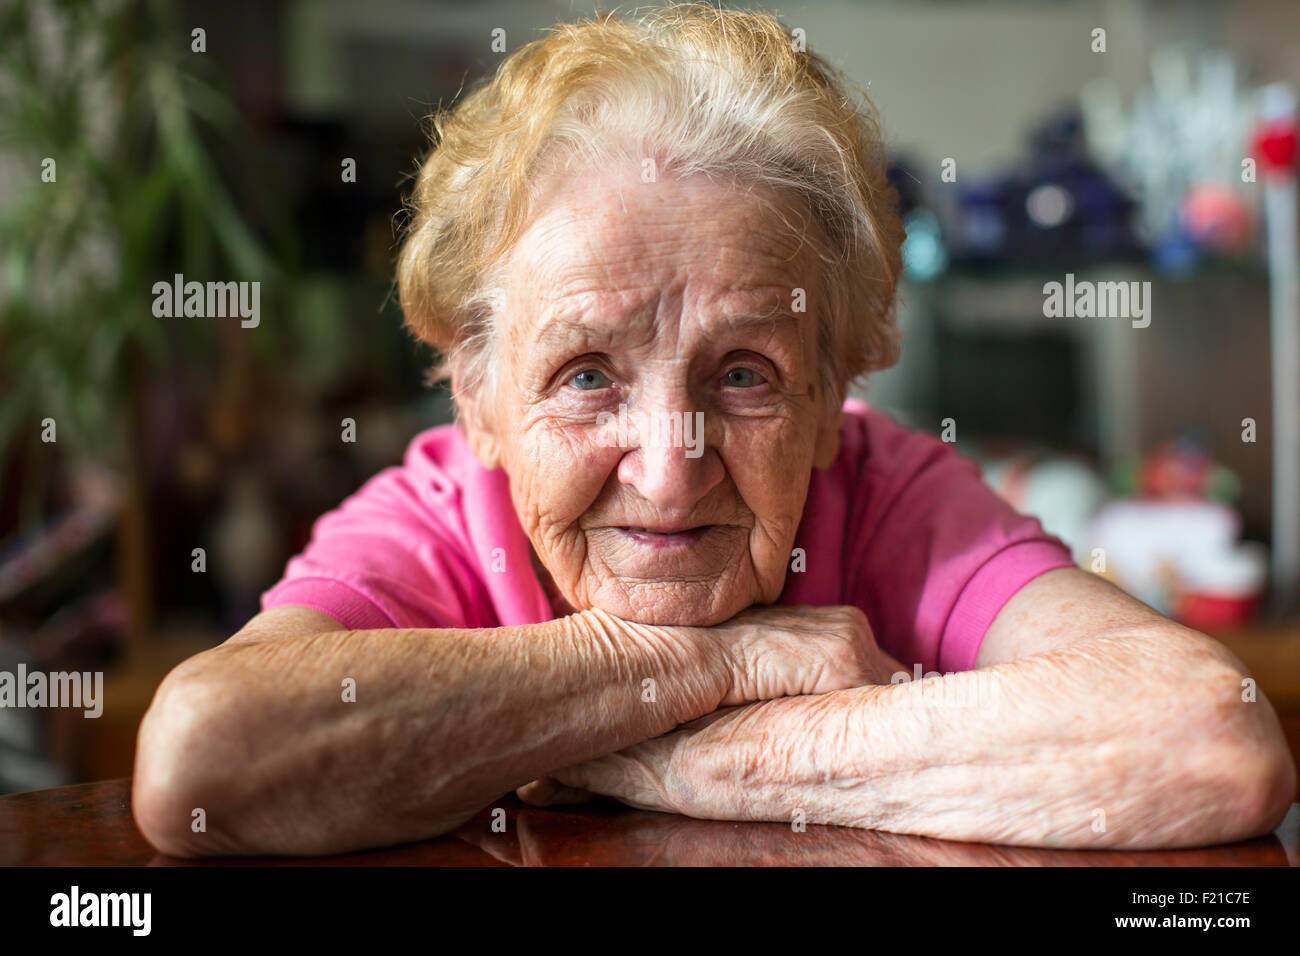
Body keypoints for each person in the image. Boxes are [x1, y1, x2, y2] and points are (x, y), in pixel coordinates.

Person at [133, 3, 1295, 857]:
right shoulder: (440, 517)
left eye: (745, 372)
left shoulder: (883, 488)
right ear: (475, 395)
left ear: (839, 374)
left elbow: (1211, 735)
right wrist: (719, 662)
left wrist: (677, 756)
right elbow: (201, 762)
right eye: (585, 374)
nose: (670, 463)